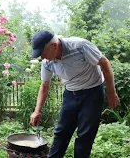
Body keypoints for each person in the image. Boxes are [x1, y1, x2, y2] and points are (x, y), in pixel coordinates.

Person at [29, 30, 120, 158]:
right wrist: (37, 110)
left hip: (92, 93)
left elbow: (104, 62)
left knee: (85, 135)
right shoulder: (47, 62)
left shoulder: (80, 46)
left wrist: (111, 92)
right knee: (61, 132)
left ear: (54, 46)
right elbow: (44, 86)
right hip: (70, 94)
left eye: (43, 53)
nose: (42, 58)